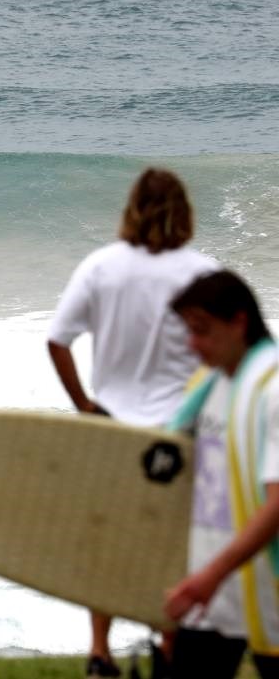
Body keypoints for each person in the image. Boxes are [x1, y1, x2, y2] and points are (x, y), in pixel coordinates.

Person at [46, 167, 218, 678]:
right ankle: (169, 649)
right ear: (184, 211)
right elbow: (224, 356)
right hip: (179, 431)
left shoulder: (101, 267)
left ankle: (100, 652)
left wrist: (83, 405)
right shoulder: (203, 274)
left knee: (109, 537)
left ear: (131, 208)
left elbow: (58, 340)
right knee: (170, 543)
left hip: (113, 427)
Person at [163, 270, 279, 679]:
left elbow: (278, 503)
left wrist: (212, 573)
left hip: (262, 588)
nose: (192, 344)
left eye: (202, 330)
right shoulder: (206, 386)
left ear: (239, 322)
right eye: (188, 331)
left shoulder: (272, 386)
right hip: (210, 592)